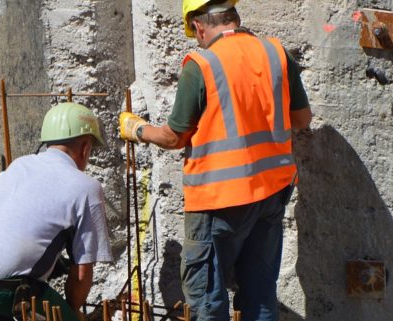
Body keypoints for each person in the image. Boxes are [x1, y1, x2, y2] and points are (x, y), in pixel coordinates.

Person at [118, 0, 312, 320]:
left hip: (219, 198)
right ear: (233, 16)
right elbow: (302, 119)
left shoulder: (202, 64)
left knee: (207, 298)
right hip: (272, 193)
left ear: (199, 26)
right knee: (260, 293)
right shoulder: (276, 53)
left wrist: (137, 129)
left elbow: (173, 137)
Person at [0, 102, 113, 321]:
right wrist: (71, 313)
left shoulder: (21, 164)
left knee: (8, 292)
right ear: (86, 147)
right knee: (21, 297)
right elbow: (82, 272)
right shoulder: (86, 188)